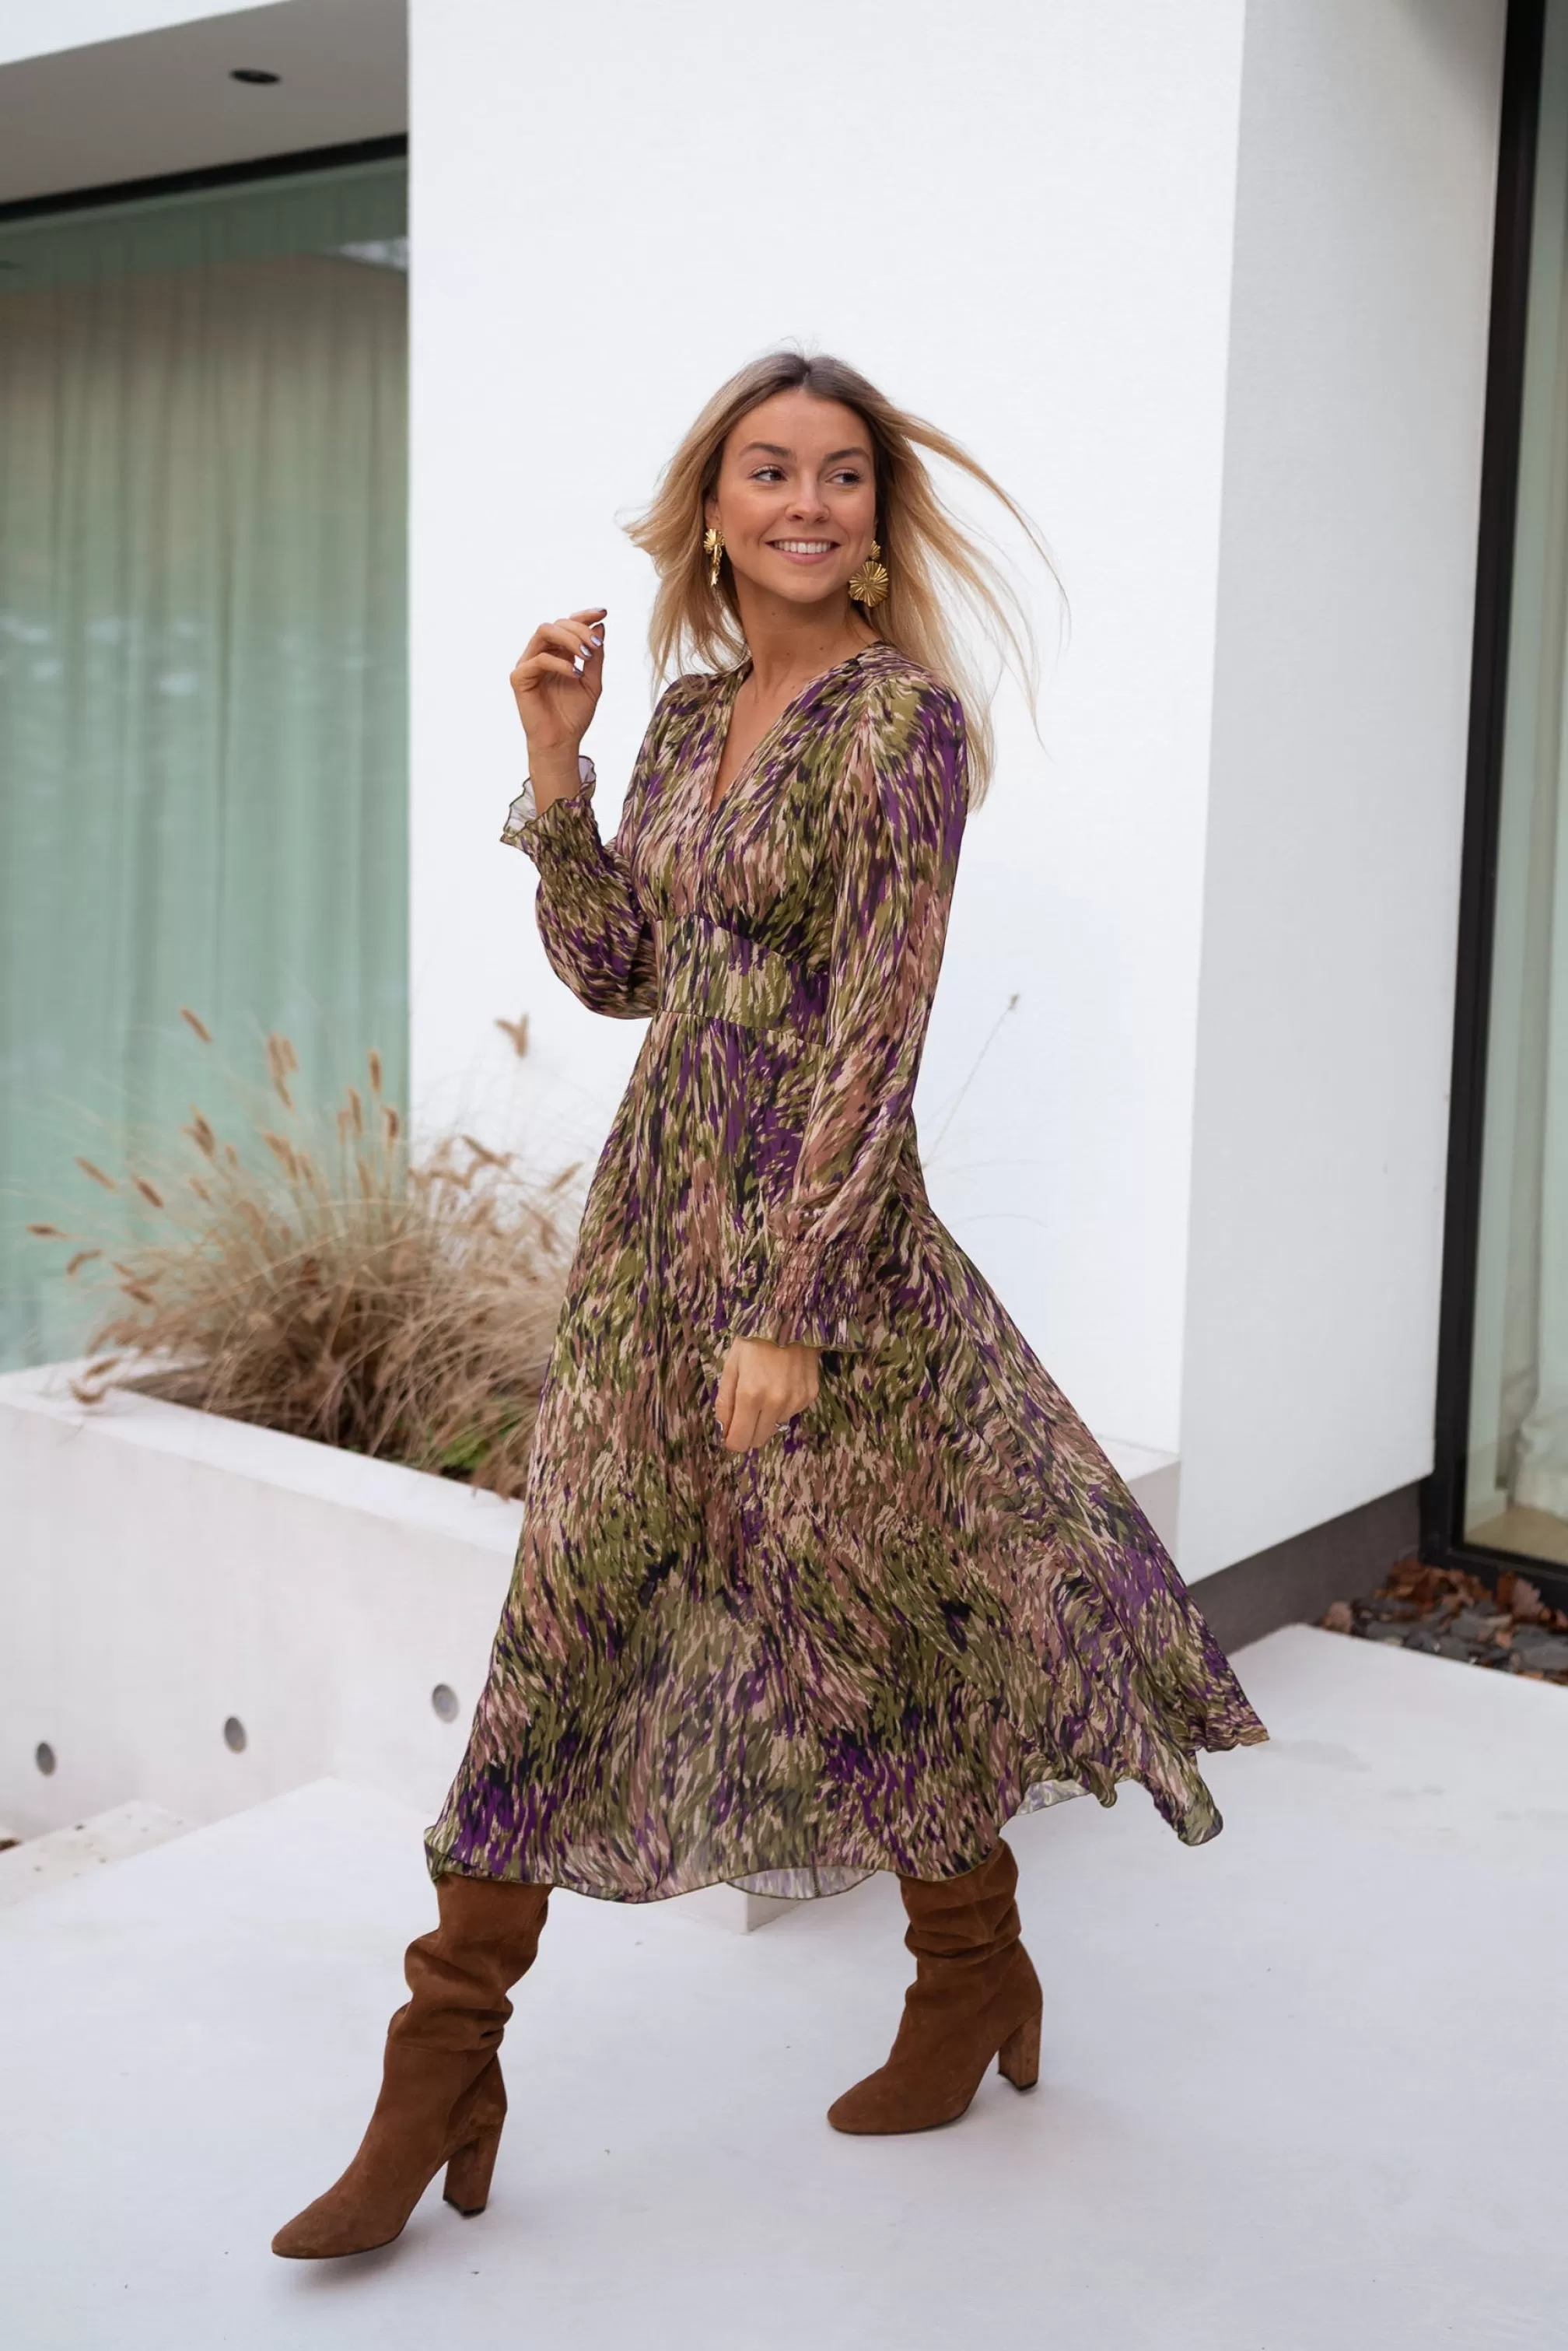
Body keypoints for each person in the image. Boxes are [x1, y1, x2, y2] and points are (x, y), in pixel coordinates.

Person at [271, 350, 1267, 2262]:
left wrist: (793, 1304)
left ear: (877, 521)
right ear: (714, 514)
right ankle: (441, 2061)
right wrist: (556, 769)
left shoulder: (903, 727)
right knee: (563, 1617)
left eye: (840, 474)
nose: (807, 500)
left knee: (852, 1624)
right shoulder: (684, 715)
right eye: (768, 470)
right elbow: (617, 974)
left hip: (828, 1255)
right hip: (650, 1245)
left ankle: (969, 1967)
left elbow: (881, 1035)